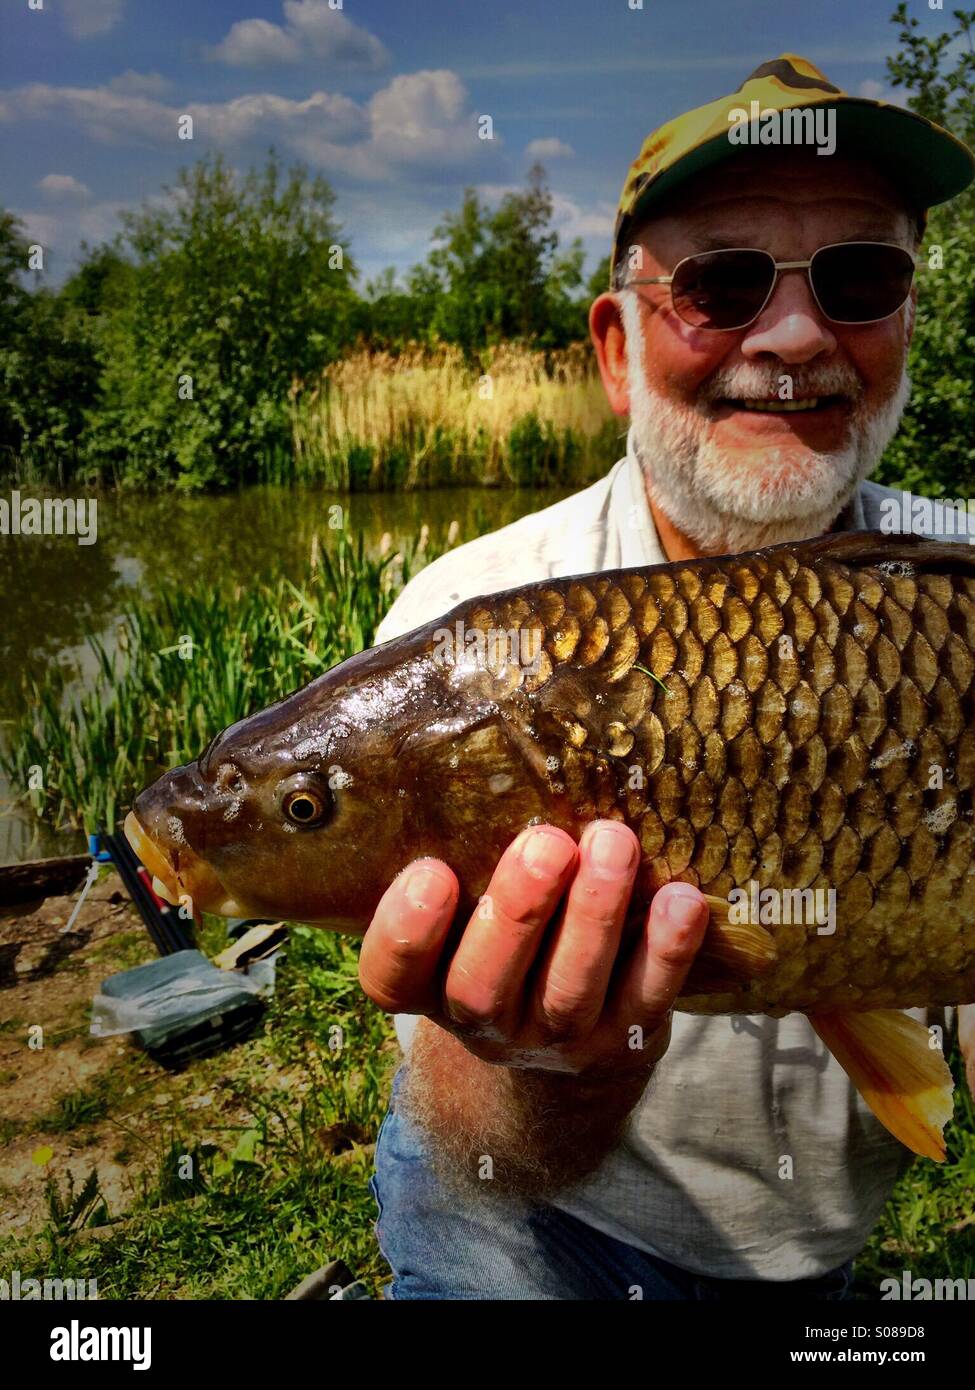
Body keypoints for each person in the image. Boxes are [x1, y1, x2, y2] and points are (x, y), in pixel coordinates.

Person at [361, 55, 975, 1300]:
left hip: (815, 1258)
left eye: (860, 277)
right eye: (724, 282)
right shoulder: (467, 634)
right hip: (523, 1232)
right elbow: (469, 1130)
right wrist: (559, 1065)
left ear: (908, 318)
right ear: (617, 347)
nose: (796, 336)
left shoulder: (957, 600)